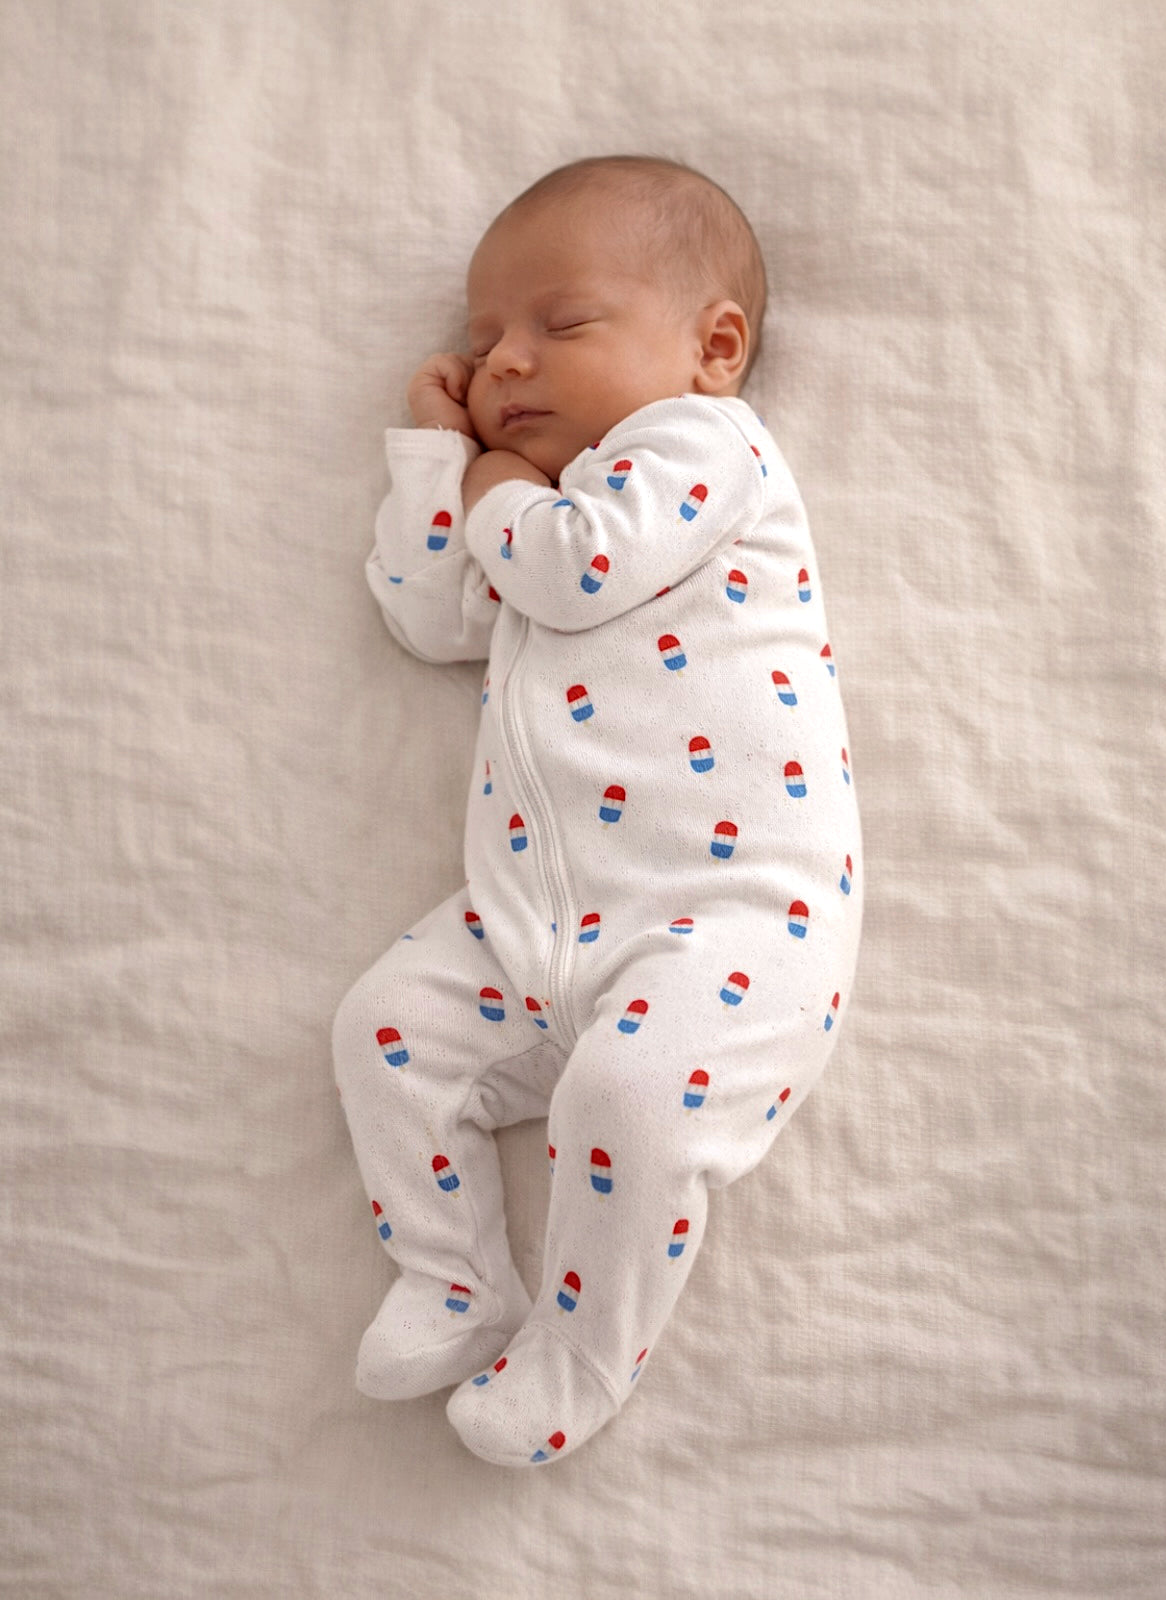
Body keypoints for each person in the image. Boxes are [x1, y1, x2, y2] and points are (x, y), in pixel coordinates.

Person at [332, 154, 863, 1468]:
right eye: (483, 343)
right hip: (539, 921)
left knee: (629, 1105)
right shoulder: (530, 509)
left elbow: (569, 575)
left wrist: (494, 490)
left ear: (713, 348)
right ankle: (455, 1278)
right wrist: (434, 457)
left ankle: (578, 1353)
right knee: (383, 1031)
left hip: (730, 921)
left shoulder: (701, 449)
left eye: (560, 326)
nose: (508, 363)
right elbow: (427, 610)